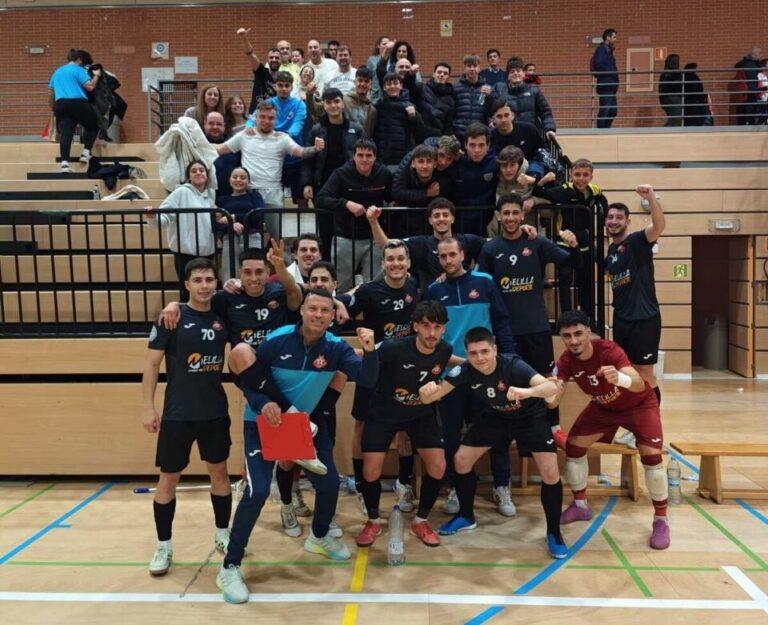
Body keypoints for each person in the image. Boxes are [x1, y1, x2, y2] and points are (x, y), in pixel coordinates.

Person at [216, 291, 378, 603]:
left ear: (333, 316)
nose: (318, 314)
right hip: (262, 422)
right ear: (301, 310)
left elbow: (368, 379)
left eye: (325, 310)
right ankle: (230, 566)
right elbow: (249, 382)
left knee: (329, 483)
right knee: (258, 491)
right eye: (313, 308)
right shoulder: (276, 341)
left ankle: (318, 538)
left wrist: (370, 351)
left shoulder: (336, 348)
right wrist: (264, 404)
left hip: (305, 422)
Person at [419, 327, 567, 559]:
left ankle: (554, 533)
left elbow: (550, 387)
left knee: (550, 471)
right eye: (473, 353)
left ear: (495, 349)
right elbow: (436, 394)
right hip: (497, 416)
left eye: (485, 351)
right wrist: (426, 391)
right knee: (461, 459)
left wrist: (526, 392)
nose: (480, 358)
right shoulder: (466, 370)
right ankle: (466, 516)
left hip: (529, 418)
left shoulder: (513, 365)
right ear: (467, 354)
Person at [142, 257, 232, 576]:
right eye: (198, 280)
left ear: (216, 283)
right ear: (187, 285)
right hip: (178, 415)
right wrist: (148, 406)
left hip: (214, 413)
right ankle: (164, 546)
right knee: (168, 479)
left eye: (210, 279)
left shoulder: (224, 315)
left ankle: (223, 534)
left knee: (219, 474)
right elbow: (152, 365)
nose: (204, 285)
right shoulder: (170, 318)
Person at [552, 310, 670, 550]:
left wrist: (619, 378)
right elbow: (553, 400)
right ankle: (581, 506)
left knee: (652, 459)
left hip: (639, 405)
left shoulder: (609, 350)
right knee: (574, 448)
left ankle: (661, 520)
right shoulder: (565, 360)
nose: (573, 341)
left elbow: (639, 385)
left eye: (578, 334)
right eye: (567, 336)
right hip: (603, 408)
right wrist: (538, 391)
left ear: (588, 332)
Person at [478, 193, 582, 449]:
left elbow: (572, 261)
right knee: (508, 382)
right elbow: (481, 284)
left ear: (522, 215)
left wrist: (574, 245)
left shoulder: (537, 242)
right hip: (506, 331)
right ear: (499, 216)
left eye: (515, 213)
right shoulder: (491, 249)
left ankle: (554, 426)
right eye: (506, 213)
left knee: (547, 379)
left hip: (536, 326)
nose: (511, 218)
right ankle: (512, 430)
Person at [426, 238, 519, 517]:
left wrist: (509, 360)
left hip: (487, 370)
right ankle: (456, 486)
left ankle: (502, 486)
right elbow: (431, 334)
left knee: (496, 432)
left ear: (463, 255)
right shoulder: (434, 289)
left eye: (452, 254)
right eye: (442, 256)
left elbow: (501, 321)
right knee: (451, 434)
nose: (448, 260)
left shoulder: (485, 282)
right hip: (452, 374)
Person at [355, 300, 452, 549]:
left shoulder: (445, 350)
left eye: (437, 327)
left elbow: (453, 363)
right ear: (415, 326)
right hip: (383, 413)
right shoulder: (392, 347)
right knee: (371, 472)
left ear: (444, 329)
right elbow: (366, 355)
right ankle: (373, 520)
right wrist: (364, 350)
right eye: (426, 326)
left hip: (419, 414)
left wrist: (475, 363)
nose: (431, 333)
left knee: (439, 467)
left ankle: (420, 521)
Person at [336, 240, 421, 515]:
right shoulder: (370, 291)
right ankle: (361, 485)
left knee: (407, 429)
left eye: (400, 259)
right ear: (382, 263)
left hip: (406, 370)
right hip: (373, 371)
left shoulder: (414, 286)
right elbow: (345, 306)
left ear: (408, 263)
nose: (395, 264)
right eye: (390, 259)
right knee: (361, 424)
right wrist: (337, 299)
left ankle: (404, 483)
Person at [216, 100, 324, 239]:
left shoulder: (282, 138)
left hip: (273, 193)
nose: (266, 121)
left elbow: (302, 152)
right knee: (248, 235)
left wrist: (316, 148)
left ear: (276, 119)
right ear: (256, 118)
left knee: (279, 237)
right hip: (248, 192)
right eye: (262, 117)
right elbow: (219, 149)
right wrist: (194, 141)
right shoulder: (245, 135)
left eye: (271, 118)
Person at [604, 185, 666, 419]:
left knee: (645, 374)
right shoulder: (611, 252)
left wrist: (650, 197)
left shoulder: (638, 241)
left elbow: (659, 226)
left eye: (619, 217)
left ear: (628, 221)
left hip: (644, 319)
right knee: (628, 373)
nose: (614, 221)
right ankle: (635, 421)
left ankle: (651, 422)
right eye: (610, 217)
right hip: (622, 321)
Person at [315, 138, 392, 291]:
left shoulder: (384, 174)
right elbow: (321, 198)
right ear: (354, 156)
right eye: (360, 155)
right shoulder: (341, 173)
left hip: (374, 238)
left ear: (375, 157)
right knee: (342, 285)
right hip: (345, 237)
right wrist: (346, 204)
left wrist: (392, 204)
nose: (364, 159)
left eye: (369, 155)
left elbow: (393, 197)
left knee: (376, 285)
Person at [533, 157, 608, 314]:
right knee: (565, 276)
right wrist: (543, 181)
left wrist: (605, 221)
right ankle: (567, 315)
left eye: (585, 175)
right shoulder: (564, 190)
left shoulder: (594, 190)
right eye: (577, 174)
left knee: (587, 278)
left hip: (584, 241)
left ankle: (587, 316)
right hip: (564, 240)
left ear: (591, 177)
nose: (581, 179)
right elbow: (538, 192)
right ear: (571, 175)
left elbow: (603, 203)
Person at [368, 196, 486, 290]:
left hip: (462, 298)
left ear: (453, 218)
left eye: (445, 215)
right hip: (431, 303)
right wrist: (373, 222)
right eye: (436, 215)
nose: (441, 219)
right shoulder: (421, 243)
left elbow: (493, 247)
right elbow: (386, 245)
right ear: (430, 220)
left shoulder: (468, 240)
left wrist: (472, 275)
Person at [302, 88, 366, 255]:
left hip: (349, 185)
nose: (333, 105)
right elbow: (308, 159)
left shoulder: (356, 128)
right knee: (325, 229)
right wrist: (307, 182)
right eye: (329, 102)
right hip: (323, 186)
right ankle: (326, 266)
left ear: (343, 104)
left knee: (350, 229)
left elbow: (366, 154)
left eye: (336, 101)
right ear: (324, 105)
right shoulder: (316, 130)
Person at [145, 160, 217, 300]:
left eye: (201, 170)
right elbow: (164, 217)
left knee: (206, 293)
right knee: (188, 293)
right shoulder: (181, 192)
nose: (198, 173)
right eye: (194, 170)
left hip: (208, 253)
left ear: (207, 175)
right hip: (185, 255)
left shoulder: (211, 195)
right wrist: (153, 217)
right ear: (188, 176)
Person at [48, 49, 101, 173]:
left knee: (66, 135)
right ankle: (86, 152)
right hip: (79, 103)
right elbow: (90, 87)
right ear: (79, 60)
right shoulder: (79, 70)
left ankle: (65, 165)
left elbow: (51, 92)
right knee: (93, 126)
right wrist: (97, 75)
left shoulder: (57, 72)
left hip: (61, 104)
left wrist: (52, 107)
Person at [215, 167, 265, 282]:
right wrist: (230, 226)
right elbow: (216, 224)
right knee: (230, 273)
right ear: (229, 180)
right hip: (230, 237)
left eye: (243, 178)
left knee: (255, 271)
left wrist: (233, 217)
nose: (238, 180)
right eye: (235, 177)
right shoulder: (222, 200)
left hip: (253, 236)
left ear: (248, 181)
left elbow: (258, 215)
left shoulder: (254, 196)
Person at [493, 57, 556, 139]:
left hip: (531, 136)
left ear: (523, 74)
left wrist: (550, 128)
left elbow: (545, 112)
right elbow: (491, 109)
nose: (516, 73)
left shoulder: (534, 91)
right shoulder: (500, 90)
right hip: (508, 137)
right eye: (512, 72)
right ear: (508, 76)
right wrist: (493, 122)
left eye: (518, 71)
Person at [373, 72, 427, 167]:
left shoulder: (410, 106)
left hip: (403, 157)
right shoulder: (378, 106)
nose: (392, 86)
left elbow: (420, 132)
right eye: (389, 84)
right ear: (384, 87)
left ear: (401, 86)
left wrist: (415, 117)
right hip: (383, 157)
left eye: (395, 83)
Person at [452, 54, 493, 140]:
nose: (472, 69)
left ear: (479, 68)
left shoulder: (487, 88)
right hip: (459, 134)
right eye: (469, 66)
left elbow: (491, 110)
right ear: (464, 68)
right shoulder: (455, 88)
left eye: (475, 66)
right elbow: (451, 112)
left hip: (479, 133)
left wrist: (491, 96)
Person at [237, 28, 279, 113]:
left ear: (281, 60)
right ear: (267, 60)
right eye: (271, 57)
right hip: (255, 116)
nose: (274, 59)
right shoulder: (261, 71)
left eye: (277, 57)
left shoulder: (283, 78)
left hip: (273, 117)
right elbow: (250, 54)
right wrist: (244, 39)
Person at [591, 29, 619, 129]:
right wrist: (611, 71)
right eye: (614, 37)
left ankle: (606, 130)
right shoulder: (602, 49)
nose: (615, 39)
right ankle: (601, 131)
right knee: (605, 110)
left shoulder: (608, 51)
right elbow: (598, 64)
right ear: (608, 37)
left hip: (610, 86)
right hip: (606, 84)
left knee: (613, 111)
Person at [419, 62, 456, 137]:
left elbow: (448, 126)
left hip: (438, 138)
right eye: (439, 72)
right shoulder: (422, 90)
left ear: (448, 77)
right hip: (420, 136)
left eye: (445, 73)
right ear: (433, 74)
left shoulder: (450, 99)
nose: (442, 75)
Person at [734, 46, 764, 125]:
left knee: (745, 117)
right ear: (753, 55)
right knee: (750, 117)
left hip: (744, 96)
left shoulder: (746, 63)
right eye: (760, 53)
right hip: (749, 95)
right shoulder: (751, 65)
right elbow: (752, 81)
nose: (762, 55)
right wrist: (756, 93)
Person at [658, 54, 683, 127]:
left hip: (668, 99)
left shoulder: (666, 73)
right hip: (673, 98)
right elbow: (672, 87)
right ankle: (663, 133)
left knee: (675, 119)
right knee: (676, 119)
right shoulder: (671, 74)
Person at [366, 36, 391, 102]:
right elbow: (368, 78)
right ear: (378, 46)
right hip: (376, 95)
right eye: (384, 44)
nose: (386, 46)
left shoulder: (392, 60)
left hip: (390, 94)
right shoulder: (371, 60)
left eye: (388, 44)